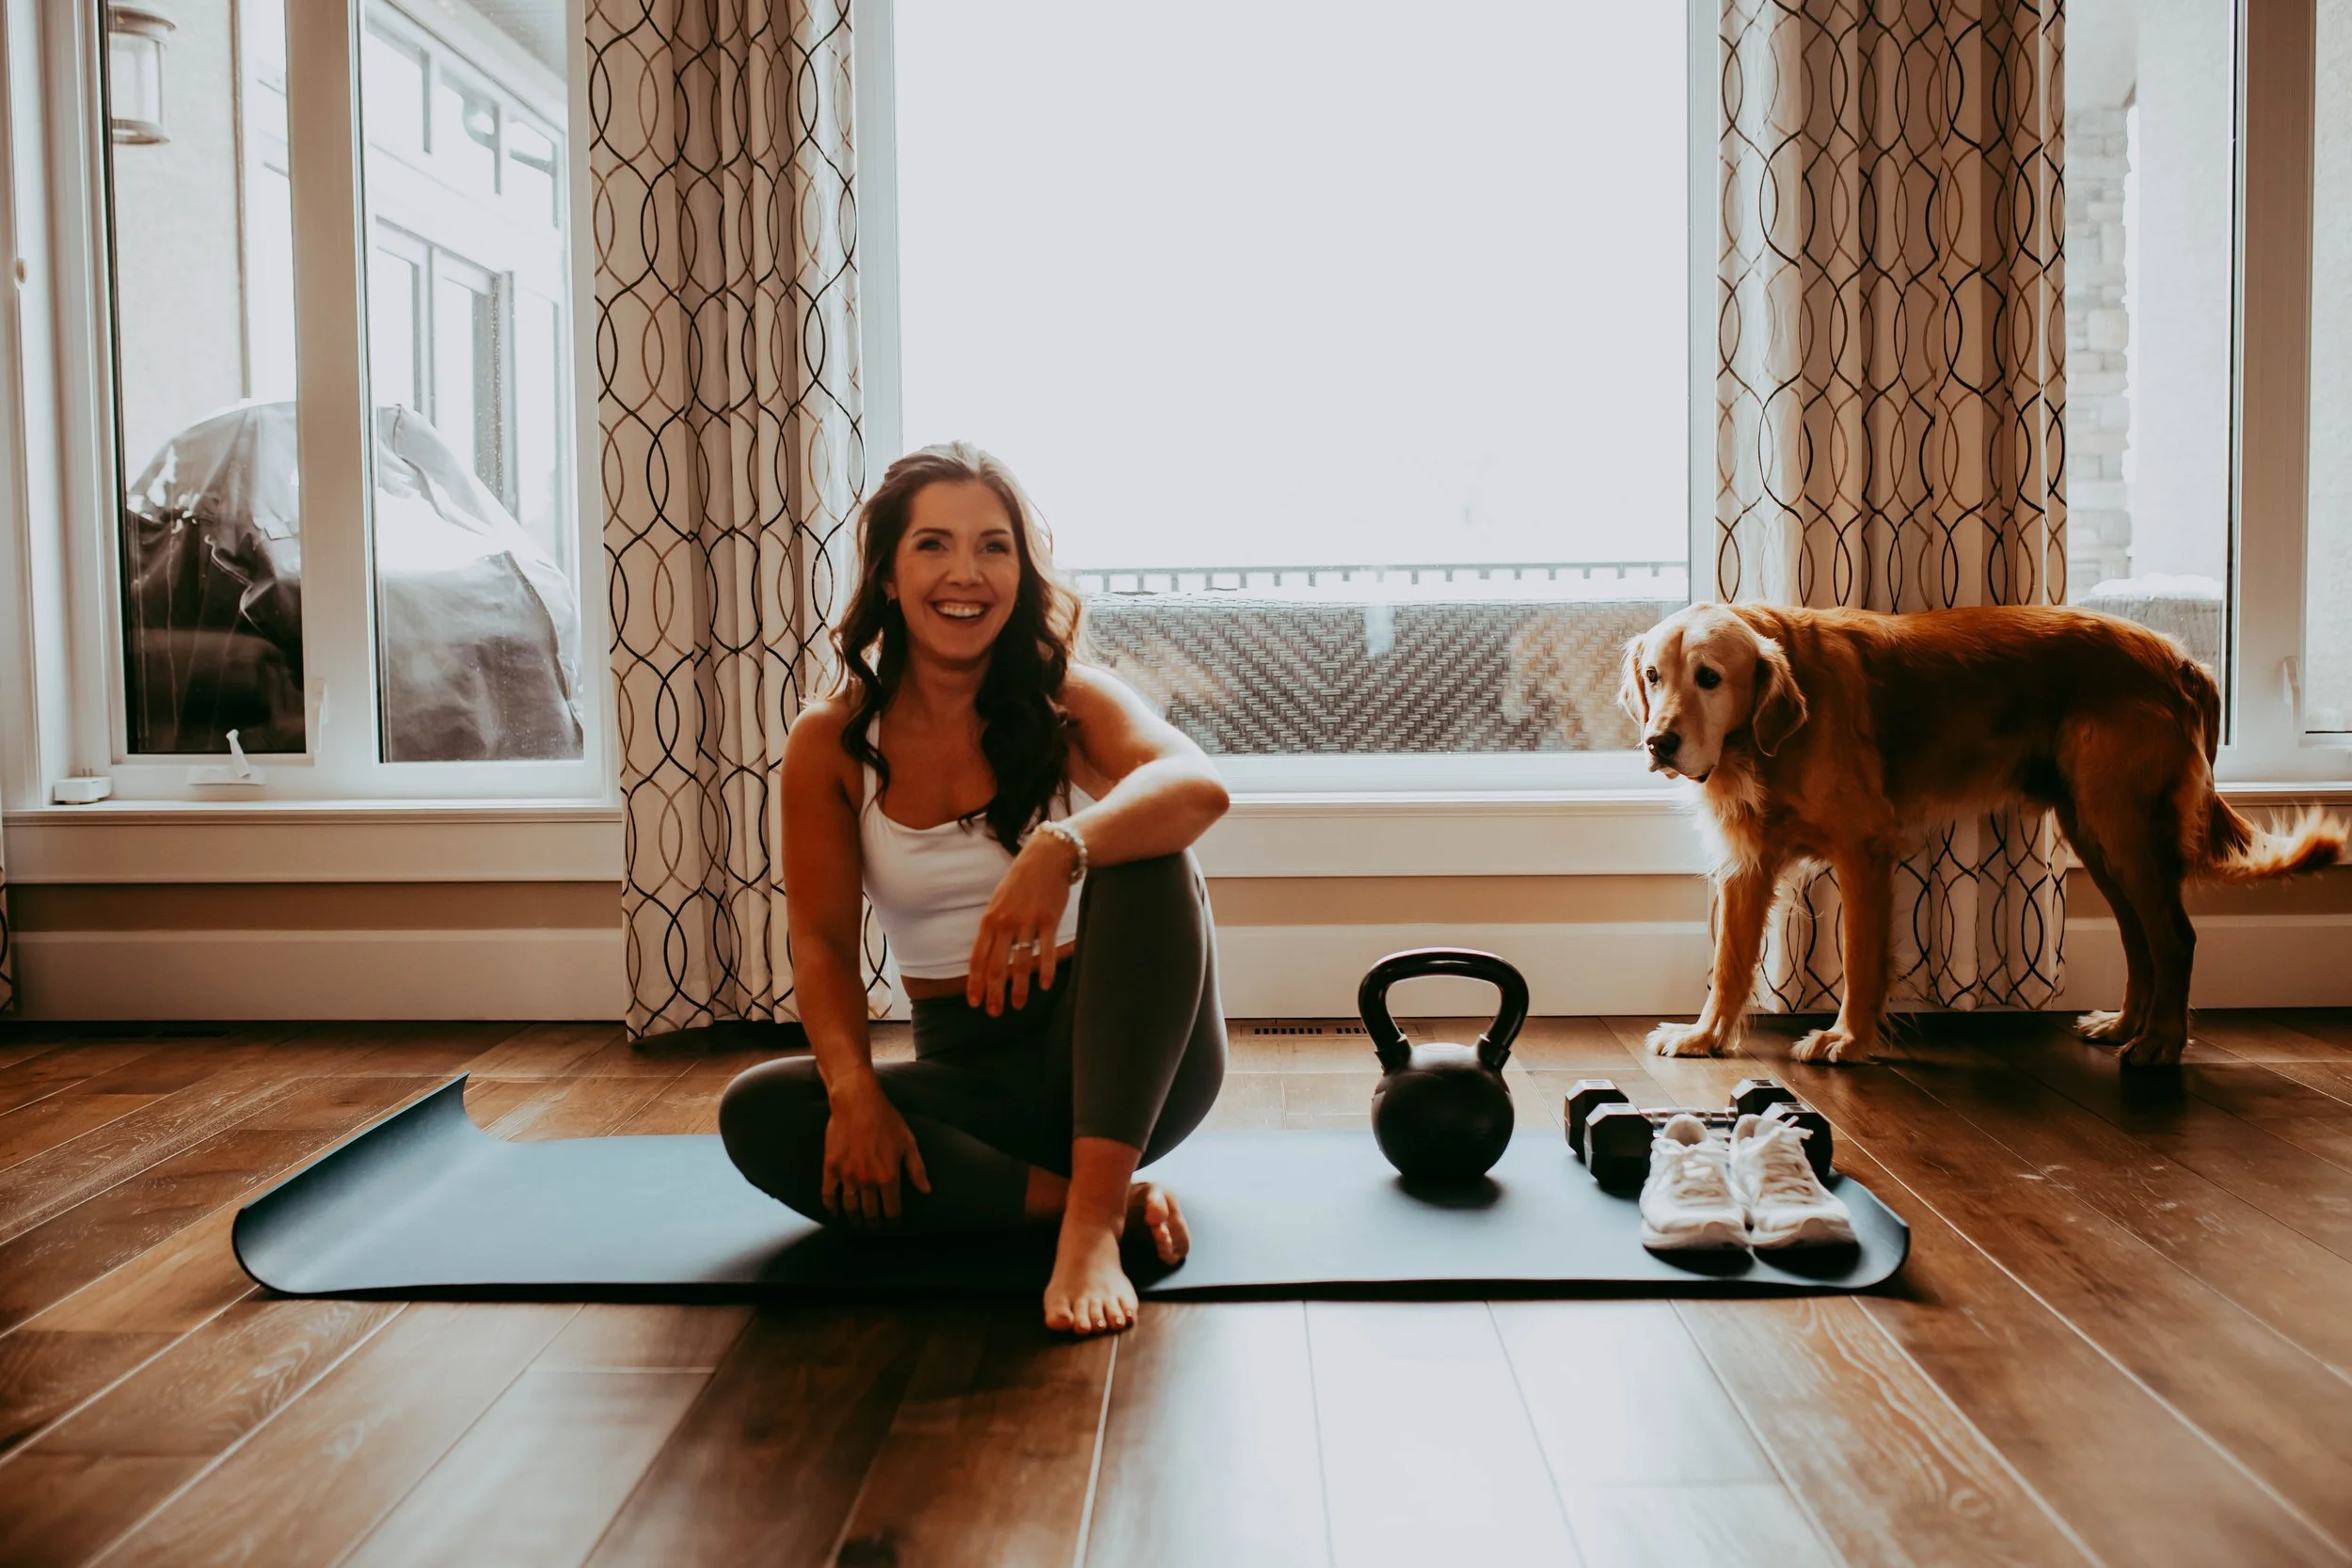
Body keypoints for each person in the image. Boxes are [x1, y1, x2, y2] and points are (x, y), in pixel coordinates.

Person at [719, 442, 1231, 1336]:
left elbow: (1196, 785)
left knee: (1150, 852)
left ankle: (1092, 1225)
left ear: (1023, 570)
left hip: (1127, 1059)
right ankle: (1083, 1197)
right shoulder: (831, 741)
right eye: (933, 546)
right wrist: (853, 1093)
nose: (967, 573)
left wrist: (1060, 846)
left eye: (994, 546)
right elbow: (824, 944)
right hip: (974, 1077)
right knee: (761, 1112)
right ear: (885, 572)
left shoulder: (1070, 700)